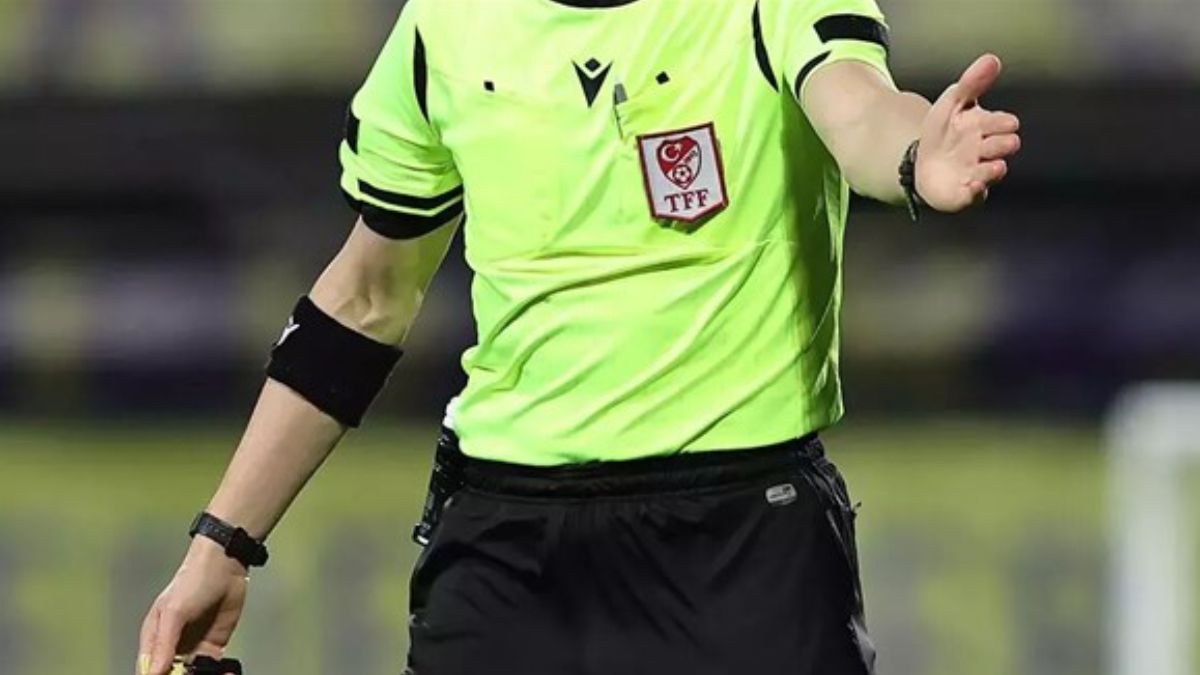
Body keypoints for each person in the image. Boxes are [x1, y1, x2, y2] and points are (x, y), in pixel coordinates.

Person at [137, 0, 1021, 673]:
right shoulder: (446, 24)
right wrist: (223, 542)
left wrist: (916, 154)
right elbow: (365, 298)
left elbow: (861, 111)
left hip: (741, 538)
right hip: (506, 550)